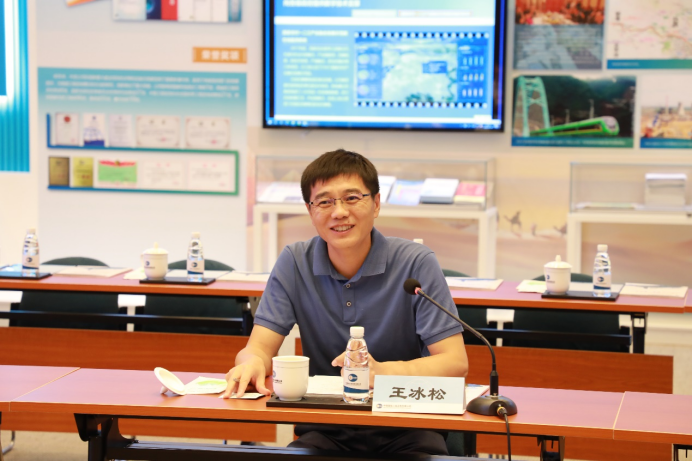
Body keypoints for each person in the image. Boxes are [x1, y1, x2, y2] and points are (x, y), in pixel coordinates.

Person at [223, 149, 468, 455]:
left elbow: (455, 361)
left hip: (408, 424)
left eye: (352, 198)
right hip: (327, 427)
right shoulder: (295, 262)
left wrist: (381, 372)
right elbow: (258, 348)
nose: (339, 212)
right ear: (310, 211)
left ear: (376, 203)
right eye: (324, 202)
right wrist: (250, 364)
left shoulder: (415, 263)